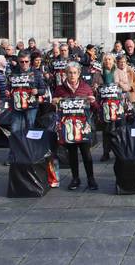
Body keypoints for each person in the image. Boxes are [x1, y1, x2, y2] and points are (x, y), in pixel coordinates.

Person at [53, 62, 98, 190]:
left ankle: (91, 179)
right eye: (69, 73)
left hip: (82, 126)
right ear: (66, 74)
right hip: (68, 127)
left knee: (86, 154)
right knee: (72, 154)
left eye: (74, 73)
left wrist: (93, 101)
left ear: (79, 74)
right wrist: (54, 102)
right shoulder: (60, 89)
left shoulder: (85, 87)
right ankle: (75, 178)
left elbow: (95, 108)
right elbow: (55, 107)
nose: (72, 75)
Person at [5, 52, 47, 165]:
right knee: (14, 130)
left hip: (31, 106)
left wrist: (37, 91)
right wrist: (7, 91)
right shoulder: (14, 73)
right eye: (21, 61)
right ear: (18, 62)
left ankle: (30, 154)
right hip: (16, 106)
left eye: (26, 61)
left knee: (30, 128)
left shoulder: (36, 73)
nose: (24, 64)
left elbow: (43, 89)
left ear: (30, 61)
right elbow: (8, 86)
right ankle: (13, 155)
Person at [95, 54, 135, 162]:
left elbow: (128, 87)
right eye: (105, 60)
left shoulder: (119, 71)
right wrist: (96, 87)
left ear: (113, 61)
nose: (107, 61)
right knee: (106, 130)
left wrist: (121, 85)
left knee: (120, 127)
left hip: (119, 104)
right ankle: (106, 152)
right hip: (105, 105)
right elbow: (95, 88)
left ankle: (121, 150)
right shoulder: (99, 73)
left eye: (109, 59)